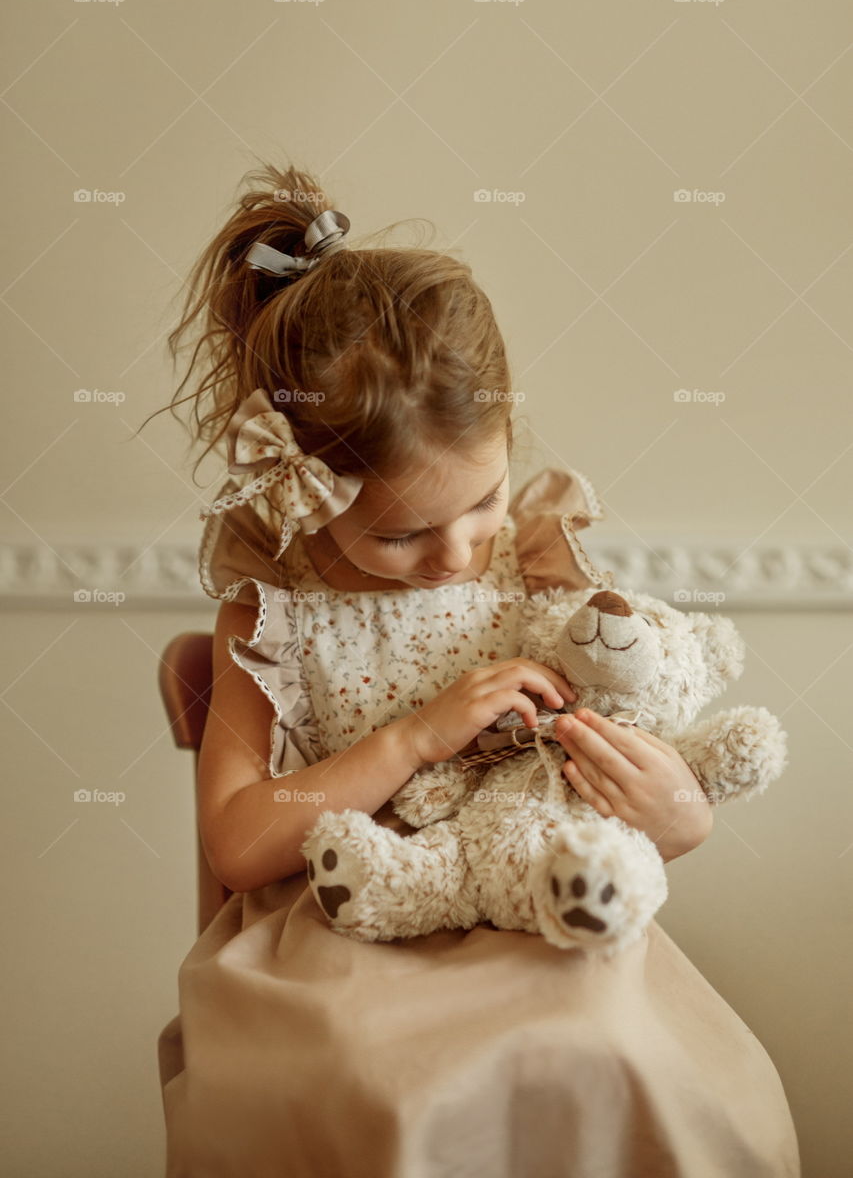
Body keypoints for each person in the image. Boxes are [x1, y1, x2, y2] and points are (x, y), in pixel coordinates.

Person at [154, 163, 800, 1177]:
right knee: (388, 1079)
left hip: (536, 899)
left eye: (482, 499)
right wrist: (413, 737)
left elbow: (637, 761)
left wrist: (679, 809)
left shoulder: (540, 565)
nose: (457, 551)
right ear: (313, 492)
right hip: (347, 924)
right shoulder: (271, 612)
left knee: (607, 1042)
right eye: (405, 533)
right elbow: (239, 840)